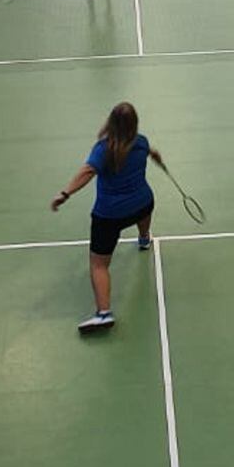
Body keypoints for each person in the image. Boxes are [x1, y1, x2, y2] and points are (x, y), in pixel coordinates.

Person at [50, 101, 159, 334]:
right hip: (141, 204)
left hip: (110, 215)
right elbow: (148, 149)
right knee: (145, 205)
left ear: (111, 122)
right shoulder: (141, 142)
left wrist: (64, 193)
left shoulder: (104, 149)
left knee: (99, 264)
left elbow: (88, 171)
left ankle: (103, 314)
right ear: (134, 124)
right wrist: (155, 154)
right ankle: (143, 238)